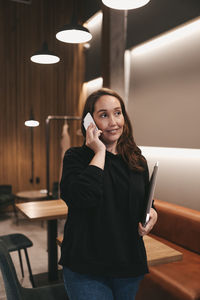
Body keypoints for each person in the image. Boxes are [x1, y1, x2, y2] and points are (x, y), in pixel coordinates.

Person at [59, 88, 158, 300]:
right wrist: (99, 152)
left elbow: (146, 202)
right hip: (86, 267)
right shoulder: (75, 158)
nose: (113, 121)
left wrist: (152, 214)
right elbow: (83, 198)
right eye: (103, 115)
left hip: (128, 264)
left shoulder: (136, 160)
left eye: (117, 113)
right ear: (89, 122)